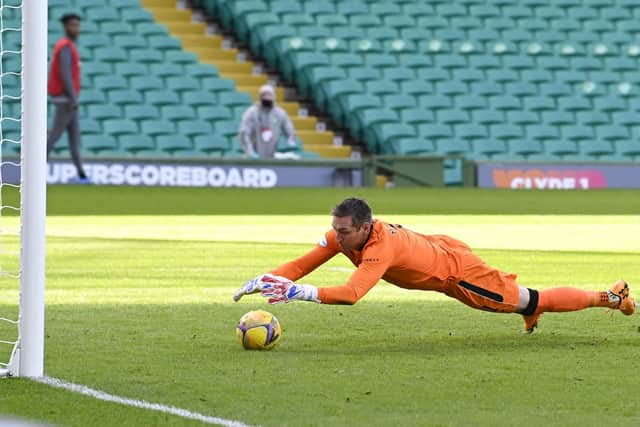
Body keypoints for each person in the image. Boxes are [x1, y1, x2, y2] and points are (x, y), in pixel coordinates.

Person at [234, 198, 636, 333]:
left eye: (343, 232)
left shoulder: (379, 248)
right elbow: (302, 264)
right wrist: (270, 278)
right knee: (525, 303)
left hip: (458, 274)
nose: (335, 238)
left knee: (533, 300)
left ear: (364, 227)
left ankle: (611, 296)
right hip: (440, 249)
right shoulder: (347, 237)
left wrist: (298, 293)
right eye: (334, 230)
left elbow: (353, 294)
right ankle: (528, 313)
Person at [47, 13, 90, 184]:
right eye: (73, 25)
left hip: (69, 101)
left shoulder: (69, 46)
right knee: (53, 137)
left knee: (74, 139)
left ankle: (82, 176)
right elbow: (65, 75)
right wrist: (73, 98)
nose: (76, 29)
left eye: (78, 25)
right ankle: (31, 171)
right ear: (66, 27)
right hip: (65, 101)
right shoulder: (64, 46)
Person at [238, 84, 297, 159]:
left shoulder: (280, 113)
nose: (267, 97)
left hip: (271, 154)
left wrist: (290, 140)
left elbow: (289, 129)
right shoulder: (252, 112)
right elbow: (244, 133)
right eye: (264, 95)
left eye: (269, 95)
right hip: (254, 155)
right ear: (260, 97)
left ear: (273, 97)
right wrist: (250, 151)